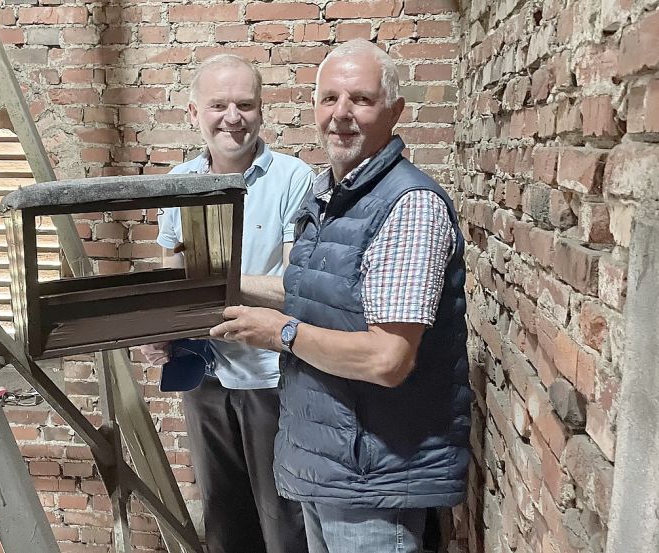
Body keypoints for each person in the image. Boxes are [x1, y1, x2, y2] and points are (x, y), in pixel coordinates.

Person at [209, 39, 472, 553]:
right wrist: (222, 289)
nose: (341, 115)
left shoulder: (407, 206)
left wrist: (280, 333)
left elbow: (387, 359)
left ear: (395, 111)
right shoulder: (331, 195)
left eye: (361, 100)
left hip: (375, 477)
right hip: (330, 464)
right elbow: (306, 290)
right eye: (329, 99)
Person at [140, 54, 312, 553]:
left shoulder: (292, 179)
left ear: (261, 111)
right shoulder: (180, 181)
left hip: (271, 375)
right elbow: (173, 273)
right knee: (222, 518)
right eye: (219, 104)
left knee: (284, 520)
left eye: (245, 104)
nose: (232, 117)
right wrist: (162, 330)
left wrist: (213, 285)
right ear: (194, 112)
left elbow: (293, 288)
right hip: (203, 370)